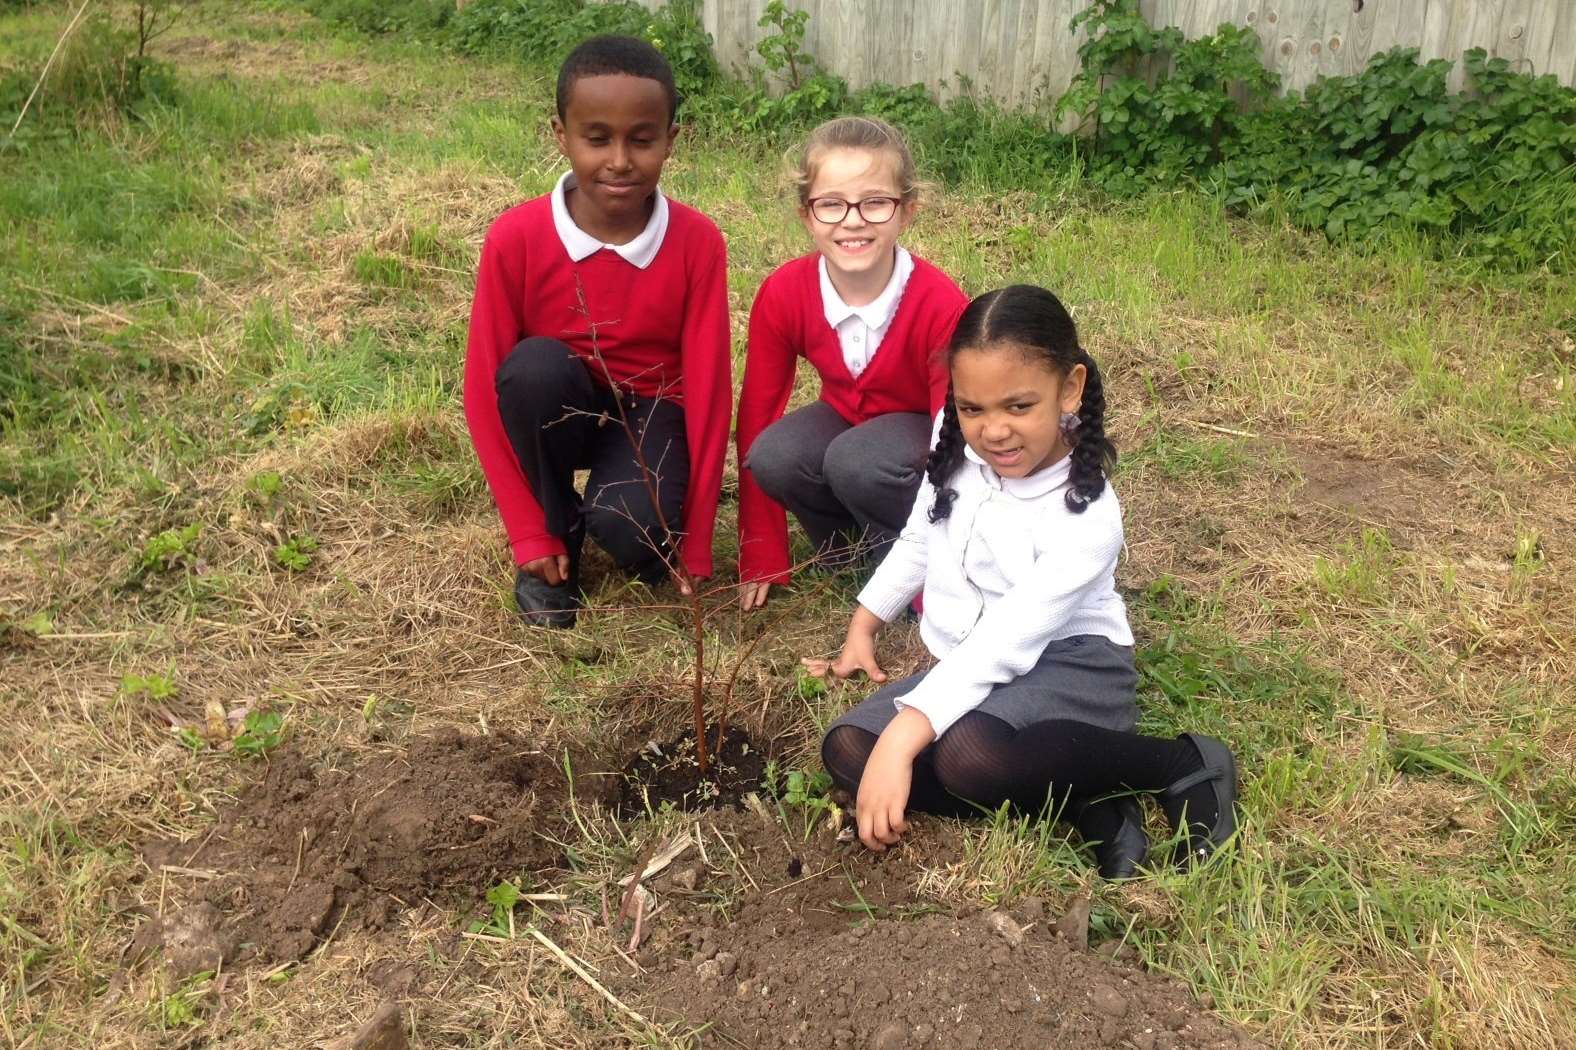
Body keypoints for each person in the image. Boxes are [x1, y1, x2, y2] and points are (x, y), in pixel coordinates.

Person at [812, 285, 1238, 877]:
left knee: (966, 757)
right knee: (849, 749)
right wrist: (866, 622)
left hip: (1070, 662)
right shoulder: (954, 438)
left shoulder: (1087, 513)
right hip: (972, 660)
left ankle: (1175, 764)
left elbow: (1009, 637)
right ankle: (1079, 792)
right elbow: (921, 536)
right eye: (972, 408)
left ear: (1070, 389)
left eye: (1018, 407)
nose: (993, 432)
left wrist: (910, 730)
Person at [463, 35, 731, 628]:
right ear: (561, 135)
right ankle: (558, 529)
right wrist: (528, 533)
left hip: (651, 408)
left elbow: (710, 393)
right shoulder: (515, 238)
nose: (618, 160)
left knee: (633, 532)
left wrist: (698, 540)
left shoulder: (698, 242)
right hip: (561, 403)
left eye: (641, 139)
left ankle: (617, 515)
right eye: (596, 138)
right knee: (533, 369)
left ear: (670, 140)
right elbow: (484, 392)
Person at [735, 116, 968, 610]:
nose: (853, 220)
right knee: (773, 453)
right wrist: (761, 549)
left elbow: (953, 436)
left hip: (917, 434)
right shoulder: (783, 293)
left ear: (906, 211)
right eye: (831, 204)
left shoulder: (939, 303)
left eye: (876, 202)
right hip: (845, 417)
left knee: (857, 460)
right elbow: (758, 408)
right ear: (806, 214)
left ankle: (909, 562)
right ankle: (846, 552)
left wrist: (936, 580)